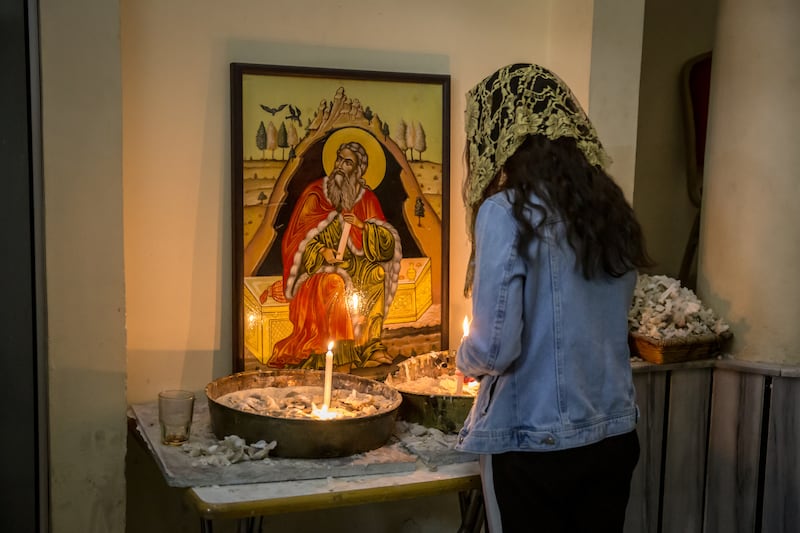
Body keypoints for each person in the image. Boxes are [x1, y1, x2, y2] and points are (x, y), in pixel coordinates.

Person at [455, 63, 652, 532]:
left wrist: (463, 360)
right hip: (612, 437)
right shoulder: (609, 209)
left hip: (538, 447)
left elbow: (496, 347)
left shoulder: (506, 212)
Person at [269, 138, 401, 370]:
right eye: (339, 159)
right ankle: (338, 355)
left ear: (358, 170)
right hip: (317, 272)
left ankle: (367, 347)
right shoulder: (316, 195)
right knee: (335, 283)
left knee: (378, 274)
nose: (340, 165)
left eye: (347, 162)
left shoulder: (366, 198)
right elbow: (294, 242)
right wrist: (322, 251)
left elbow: (387, 245)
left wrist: (362, 226)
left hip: (355, 269)